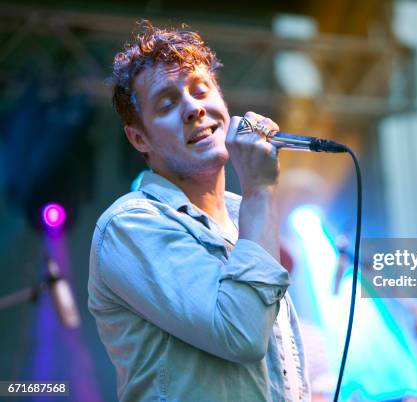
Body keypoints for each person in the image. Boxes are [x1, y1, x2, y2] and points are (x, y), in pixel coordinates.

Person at [88, 22, 309, 401]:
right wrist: (259, 190)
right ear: (139, 138)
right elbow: (241, 334)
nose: (193, 108)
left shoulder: (247, 217)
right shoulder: (130, 224)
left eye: (200, 91)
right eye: (167, 104)